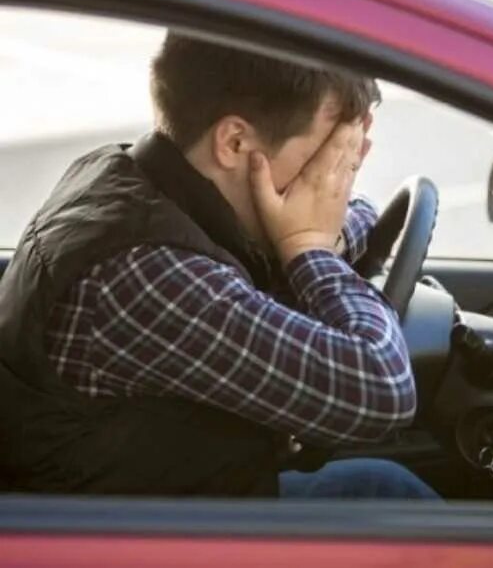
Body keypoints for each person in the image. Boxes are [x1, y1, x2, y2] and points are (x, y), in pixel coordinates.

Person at [0, 33, 436, 499]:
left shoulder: (132, 175)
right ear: (234, 141)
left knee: (384, 486)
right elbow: (382, 390)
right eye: (321, 158)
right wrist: (310, 249)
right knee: (395, 499)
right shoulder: (149, 273)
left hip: (165, 493)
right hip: (129, 539)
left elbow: (356, 213)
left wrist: (315, 235)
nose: (329, 181)